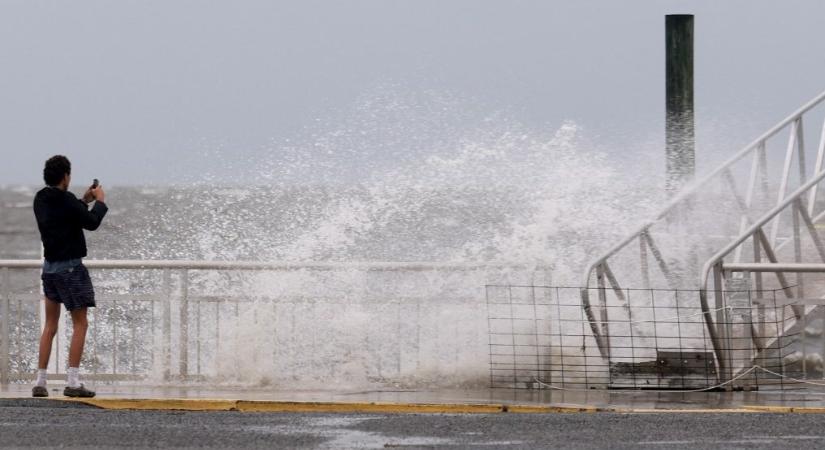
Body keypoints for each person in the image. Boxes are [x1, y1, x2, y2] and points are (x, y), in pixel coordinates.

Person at [31, 155, 107, 398]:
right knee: (80, 324)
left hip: (49, 269)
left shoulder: (41, 198)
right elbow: (92, 222)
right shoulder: (66, 201)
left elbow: (68, 212)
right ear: (66, 176)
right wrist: (100, 202)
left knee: (50, 326)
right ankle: (73, 381)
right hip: (71, 269)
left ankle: (40, 381)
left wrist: (84, 199)